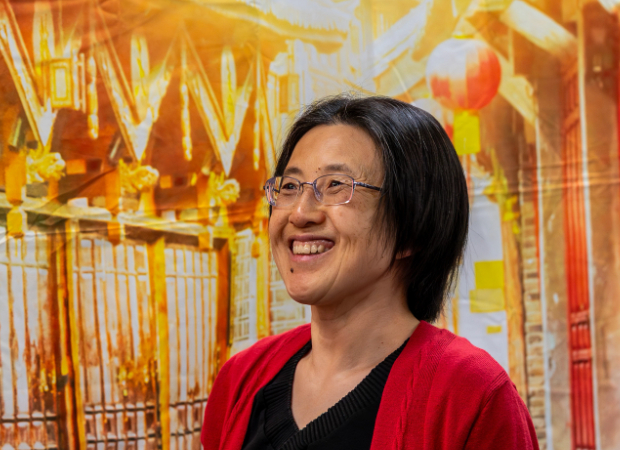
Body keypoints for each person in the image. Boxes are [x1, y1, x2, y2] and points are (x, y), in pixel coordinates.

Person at [201, 95, 537, 450]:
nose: (299, 213)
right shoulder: (241, 379)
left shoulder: (472, 395)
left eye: (336, 186)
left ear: (411, 228)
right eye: (289, 187)